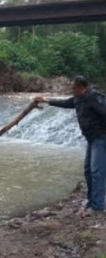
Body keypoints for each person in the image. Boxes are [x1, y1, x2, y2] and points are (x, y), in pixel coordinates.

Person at [34, 75, 106, 217]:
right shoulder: (78, 98)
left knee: (97, 172)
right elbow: (66, 103)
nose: (72, 90)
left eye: (74, 88)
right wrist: (47, 100)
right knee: (88, 170)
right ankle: (92, 201)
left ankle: (97, 205)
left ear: (82, 88)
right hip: (91, 139)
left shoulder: (94, 98)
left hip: (101, 138)